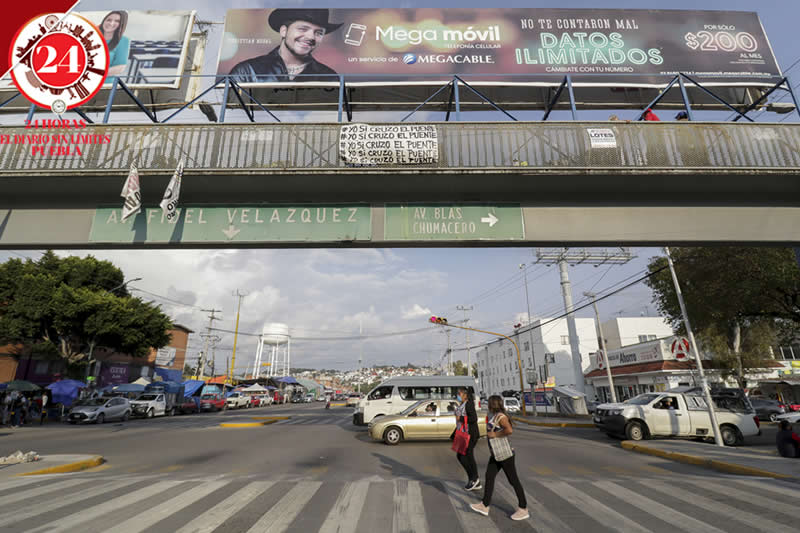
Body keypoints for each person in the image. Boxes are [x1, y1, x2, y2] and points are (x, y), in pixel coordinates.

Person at [229, 9, 342, 83]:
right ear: (283, 31)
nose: (311, 37)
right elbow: (228, 103)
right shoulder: (247, 72)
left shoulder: (329, 77)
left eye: (319, 33)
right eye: (303, 29)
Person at [470, 395, 529, 521]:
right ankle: (485, 505)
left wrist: (495, 434)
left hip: (505, 454)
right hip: (496, 454)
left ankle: (523, 508)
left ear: (492, 404)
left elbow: (509, 430)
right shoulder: (494, 415)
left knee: (513, 480)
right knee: (489, 476)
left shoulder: (501, 417)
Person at [453, 387, 481, 491]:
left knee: (468, 455)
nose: (458, 395)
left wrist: (459, 418)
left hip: (470, 434)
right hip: (462, 433)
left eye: (459, 393)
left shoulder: (469, 404)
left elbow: (474, 418)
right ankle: (472, 478)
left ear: (465, 394)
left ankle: (475, 479)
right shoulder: (462, 404)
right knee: (460, 456)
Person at [101, 11, 130, 77]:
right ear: (104, 21)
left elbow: (120, 67)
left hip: (106, 81)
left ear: (121, 24)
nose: (111, 23)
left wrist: (95, 74)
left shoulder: (123, 40)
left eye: (117, 21)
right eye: (109, 20)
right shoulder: (92, 36)